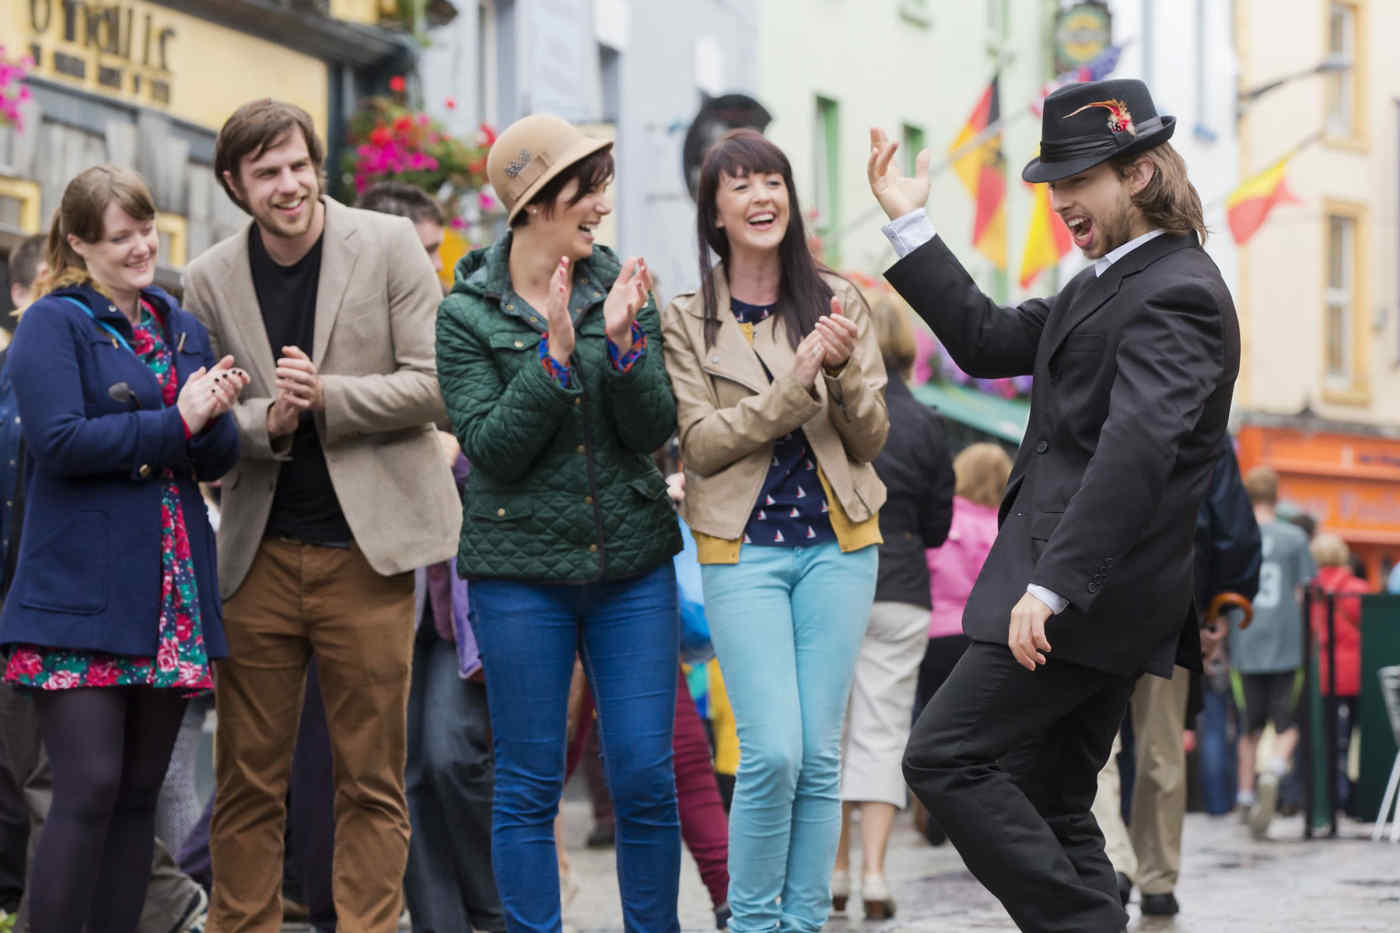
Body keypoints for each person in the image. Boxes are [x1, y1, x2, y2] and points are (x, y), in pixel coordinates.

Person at [870, 77, 1239, 932]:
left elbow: (1136, 451)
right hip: (1086, 594)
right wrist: (909, 223)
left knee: (943, 755)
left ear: (1140, 173)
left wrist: (1055, 585)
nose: (1060, 200)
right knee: (1053, 796)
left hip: (1081, 595)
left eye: (1077, 180)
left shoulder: (1176, 290)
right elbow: (987, 337)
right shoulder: (1105, 281)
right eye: (1052, 182)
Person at [182, 99, 460, 932]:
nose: (289, 184)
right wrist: (261, 422)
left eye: (299, 165)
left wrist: (327, 396)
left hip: (367, 555)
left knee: (370, 778)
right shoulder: (206, 278)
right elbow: (198, 417)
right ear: (235, 184)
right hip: (257, 554)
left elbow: (437, 382)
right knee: (246, 781)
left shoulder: (386, 246)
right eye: (267, 172)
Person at [435, 113, 683, 932]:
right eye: (588, 188)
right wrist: (551, 354)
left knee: (646, 774)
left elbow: (651, 432)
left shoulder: (618, 287)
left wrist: (619, 346)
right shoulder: (465, 314)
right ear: (536, 201)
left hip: (632, 570)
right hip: (518, 577)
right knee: (528, 782)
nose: (602, 206)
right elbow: (492, 448)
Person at [0, 164, 245, 932]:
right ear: (78, 242)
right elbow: (60, 440)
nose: (142, 246)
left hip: (169, 595)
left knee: (140, 792)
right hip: (79, 594)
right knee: (89, 786)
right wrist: (178, 420)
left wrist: (215, 415)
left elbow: (214, 456)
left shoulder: (181, 325)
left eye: (146, 228)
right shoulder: (53, 323)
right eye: (121, 236)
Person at [663, 128, 889, 932]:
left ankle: (804, 923)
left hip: (840, 546)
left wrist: (839, 373)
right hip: (741, 548)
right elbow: (702, 443)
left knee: (821, 755)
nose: (763, 197)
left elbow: (870, 438)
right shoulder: (687, 318)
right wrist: (796, 386)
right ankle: (753, 922)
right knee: (772, 753)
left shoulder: (838, 299)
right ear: (714, 210)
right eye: (743, 184)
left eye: (774, 181)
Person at [1092, 439, 1260, 917]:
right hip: (1174, 596)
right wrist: (1217, 610)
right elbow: (1234, 529)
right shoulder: (1203, 419)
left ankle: (1114, 860)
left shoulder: (1102, 394)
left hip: (1099, 590)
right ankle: (1158, 875)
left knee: (1097, 746)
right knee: (1161, 747)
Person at [831, 291, 952, 920]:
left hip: (836, 578)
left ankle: (837, 869)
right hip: (903, 588)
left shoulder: (833, 410)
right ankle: (876, 874)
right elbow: (938, 525)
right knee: (881, 734)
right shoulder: (929, 423)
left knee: (831, 730)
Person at [912, 441, 1011, 846]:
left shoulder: (942, 519)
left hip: (932, 638)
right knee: (980, 733)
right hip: (979, 640)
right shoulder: (1002, 527)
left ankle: (931, 812)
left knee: (929, 729)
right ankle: (975, 814)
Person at [1230, 465, 1315, 839]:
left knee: (1247, 729)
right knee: (1288, 724)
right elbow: (1303, 594)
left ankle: (1246, 796)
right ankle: (1275, 769)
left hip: (1245, 642)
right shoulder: (1295, 538)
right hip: (1286, 643)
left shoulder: (1235, 536)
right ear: (1276, 495)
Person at [1308, 532, 1368, 812]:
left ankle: (1328, 799)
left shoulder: (1311, 590)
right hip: (1357, 673)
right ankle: (1356, 799)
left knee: (1328, 740)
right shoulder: (1358, 588)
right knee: (1358, 740)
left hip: (1324, 674)